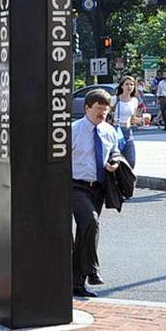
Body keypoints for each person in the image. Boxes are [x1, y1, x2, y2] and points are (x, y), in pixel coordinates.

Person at [70, 88, 123, 298]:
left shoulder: (109, 130)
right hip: (75, 186)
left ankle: (77, 283)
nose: (101, 113)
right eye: (98, 109)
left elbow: (115, 151)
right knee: (91, 222)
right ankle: (92, 269)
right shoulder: (73, 130)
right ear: (86, 108)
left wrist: (115, 161)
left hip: (98, 188)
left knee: (86, 233)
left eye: (105, 109)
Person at [112, 76, 143, 168]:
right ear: (122, 86)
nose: (129, 86)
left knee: (131, 162)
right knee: (115, 161)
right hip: (115, 131)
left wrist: (141, 120)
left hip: (128, 132)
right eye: (127, 84)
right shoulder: (115, 99)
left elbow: (133, 119)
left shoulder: (134, 101)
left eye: (132, 84)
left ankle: (127, 181)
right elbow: (106, 114)